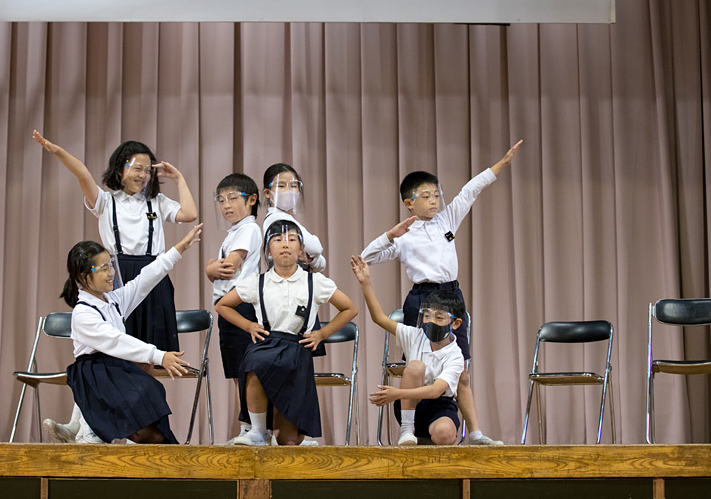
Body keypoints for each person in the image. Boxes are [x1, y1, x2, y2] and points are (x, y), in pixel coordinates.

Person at [33, 131, 198, 441]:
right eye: (137, 167)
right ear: (120, 168)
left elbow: (190, 214)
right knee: (109, 352)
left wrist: (179, 178)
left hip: (152, 277)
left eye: (148, 169)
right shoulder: (105, 201)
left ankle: (123, 426)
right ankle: (86, 424)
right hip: (117, 273)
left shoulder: (156, 201)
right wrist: (56, 150)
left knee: (144, 359)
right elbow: (82, 173)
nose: (143, 174)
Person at [360, 140, 522, 446]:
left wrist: (501, 165)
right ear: (409, 203)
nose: (434, 200)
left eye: (436, 194)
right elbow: (365, 257)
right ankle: (408, 429)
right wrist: (389, 235)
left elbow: (470, 191)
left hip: (451, 297)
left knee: (462, 371)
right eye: (426, 196)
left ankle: (475, 433)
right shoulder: (404, 235)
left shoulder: (447, 220)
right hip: (422, 299)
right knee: (417, 366)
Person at [215, 220, 357, 446]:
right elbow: (222, 305)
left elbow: (350, 308)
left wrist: (321, 334)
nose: (285, 244)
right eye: (277, 240)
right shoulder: (258, 282)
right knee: (253, 363)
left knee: (288, 441)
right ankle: (257, 431)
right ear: (268, 250)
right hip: (267, 344)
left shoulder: (314, 281)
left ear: (301, 250)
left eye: (292, 239)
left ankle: (287, 434)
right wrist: (249, 325)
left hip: (296, 349)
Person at [61, 223, 202, 444]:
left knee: (152, 397)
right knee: (145, 410)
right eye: (103, 268)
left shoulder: (113, 300)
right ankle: (90, 429)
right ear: (84, 277)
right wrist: (159, 356)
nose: (111, 273)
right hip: (95, 374)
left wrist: (180, 248)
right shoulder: (83, 314)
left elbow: (146, 278)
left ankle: (98, 430)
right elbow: (116, 341)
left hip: (115, 368)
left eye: (110, 265)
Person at [351, 256, 465, 445]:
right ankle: (406, 430)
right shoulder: (414, 335)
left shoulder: (455, 355)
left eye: (439, 317)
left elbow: (436, 391)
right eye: (427, 316)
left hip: (439, 405)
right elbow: (379, 318)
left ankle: (425, 442)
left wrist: (397, 393)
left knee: (445, 435)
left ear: (455, 323)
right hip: (410, 406)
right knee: (415, 366)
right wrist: (365, 283)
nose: (431, 321)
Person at [205, 173, 262, 442]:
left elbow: (228, 268)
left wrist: (209, 267)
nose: (226, 205)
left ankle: (255, 427)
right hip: (227, 307)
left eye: (232, 198)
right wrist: (210, 270)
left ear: (252, 200)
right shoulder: (235, 232)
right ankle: (247, 426)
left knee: (247, 370)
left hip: (241, 305)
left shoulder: (249, 229)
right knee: (237, 371)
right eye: (221, 200)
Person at [261, 163, 326, 273]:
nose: (288, 190)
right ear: (267, 193)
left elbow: (322, 264)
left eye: (294, 186)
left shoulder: (287, 218)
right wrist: (313, 255)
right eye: (281, 186)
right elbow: (316, 248)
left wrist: (311, 259)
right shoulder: (276, 218)